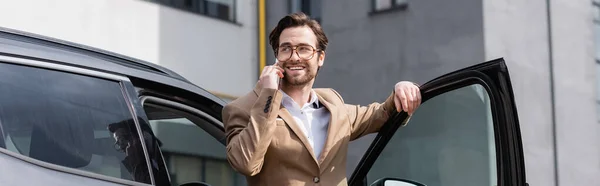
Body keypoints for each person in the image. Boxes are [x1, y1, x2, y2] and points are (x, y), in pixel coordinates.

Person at [222, 12, 422, 186]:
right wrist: (268, 95)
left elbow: (383, 114)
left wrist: (401, 89)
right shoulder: (243, 108)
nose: (294, 57)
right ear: (276, 56)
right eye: (286, 49)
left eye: (304, 49)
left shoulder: (333, 103)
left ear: (320, 58)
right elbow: (245, 163)